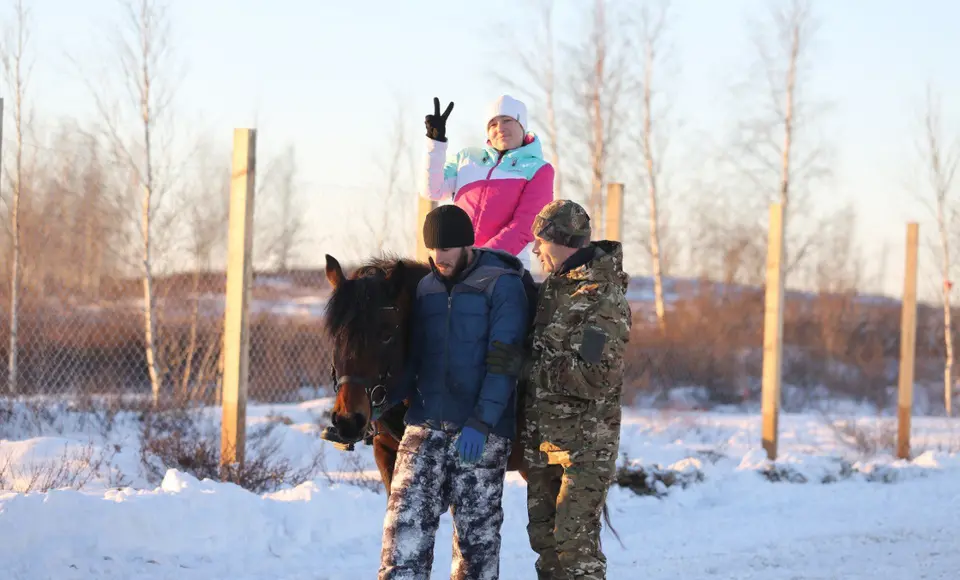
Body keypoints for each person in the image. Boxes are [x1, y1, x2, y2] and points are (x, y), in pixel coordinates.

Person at [378, 204, 530, 580]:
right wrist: (379, 401)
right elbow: (415, 361)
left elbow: (504, 364)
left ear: (466, 244)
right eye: (433, 249)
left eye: (447, 249)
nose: (439, 257)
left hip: (480, 432)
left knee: (475, 551)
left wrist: (482, 423)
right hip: (424, 427)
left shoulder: (502, 285)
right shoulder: (425, 288)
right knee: (402, 539)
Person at [491, 199, 631, 580]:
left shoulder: (601, 299)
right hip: (543, 443)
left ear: (565, 242)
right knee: (546, 544)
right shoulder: (554, 289)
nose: (535, 250)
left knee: (575, 547)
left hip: (584, 447)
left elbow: (594, 377)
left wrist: (526, 366)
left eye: (541, 242)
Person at [421, 94, 555, 271]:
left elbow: (524, 226)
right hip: (459, 265)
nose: (499, 128)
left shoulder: (538, 169)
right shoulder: (468, 158)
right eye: (493, 124)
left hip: (505, 267)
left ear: (522, 125)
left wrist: (482, 257)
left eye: (507, 120)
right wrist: (435, 144)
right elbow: (432, 190)